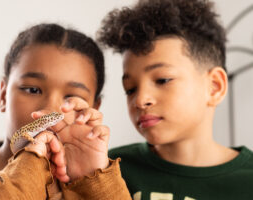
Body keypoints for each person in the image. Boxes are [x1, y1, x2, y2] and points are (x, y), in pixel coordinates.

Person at [0, 23, 130, 199]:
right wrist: (29, 166)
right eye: (32, 90)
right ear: (3, 96)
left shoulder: (101, 179)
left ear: (92, 109)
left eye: (70, 97)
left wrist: (96, 183)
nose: (50, 108)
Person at [97, 0, 253, 199]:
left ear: (214, 87)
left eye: (162, 80)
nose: (140, 100)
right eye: (130, 89)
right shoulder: (107, 170)